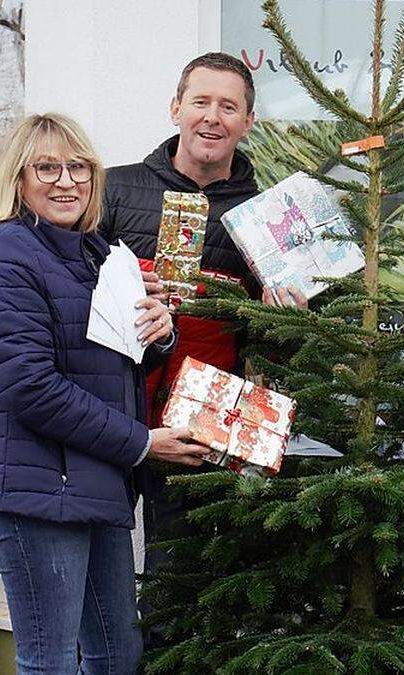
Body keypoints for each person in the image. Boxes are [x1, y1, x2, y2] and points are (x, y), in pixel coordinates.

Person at [0, 113, 211, 673]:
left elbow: (113, 361)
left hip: (94, 482)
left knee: (118, 655)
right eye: (47, 167)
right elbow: (32, 387)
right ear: (19, 180)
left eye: (79, 167)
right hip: (36, 491)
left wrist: (160, 334)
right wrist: (144, 443)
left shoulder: (97, 255)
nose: (66, 180)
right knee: (51, 662)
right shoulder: (5, 258)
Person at [99, 52, 306, 643]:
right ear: (176, 109)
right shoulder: (114, 189)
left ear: (247, 122)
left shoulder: (269, 217)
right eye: (201, 102)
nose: (212, 118)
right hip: (112, 413)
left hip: (201, 426)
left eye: (229, 107)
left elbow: (277, 353)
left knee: (177, 588)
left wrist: (285, 324)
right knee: (97, 581)